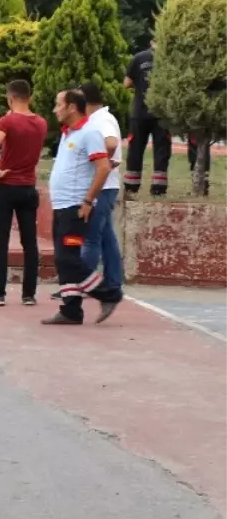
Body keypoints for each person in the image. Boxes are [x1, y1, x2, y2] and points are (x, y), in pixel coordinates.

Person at [44, 89, 123, 325]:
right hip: (62, 206)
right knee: (63, 258)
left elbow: (103, 168)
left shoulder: (89, 133)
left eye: (58, 104)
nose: (55, 109)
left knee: (69, 259)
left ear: (71, 107)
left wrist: (88, 201)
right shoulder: (69, 134)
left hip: (75, 208)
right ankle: (71, 310)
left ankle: (109, 293)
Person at [0, 80, 47, 307]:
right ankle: (29, 293)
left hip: (6, 186)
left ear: (10, 98)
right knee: (30, 243)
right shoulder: (41, 123)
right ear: (30, 96)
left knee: (1, 241)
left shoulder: (7, 121)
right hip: (28, 187)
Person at [79, 81, 124, 294]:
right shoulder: (98, 119)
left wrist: (97, 158)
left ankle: (82, 284)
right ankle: (113, 281)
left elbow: (112, 142)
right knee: (106, 236)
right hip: (106, 184)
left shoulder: (101, 120)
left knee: (91, 237)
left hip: (103, 186)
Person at [124, 40, 171, 196]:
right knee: (161, 150)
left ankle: (131, 186)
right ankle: (158, 188)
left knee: (135, 148)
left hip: (140, 112)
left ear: (151, 42)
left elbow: (127, 83)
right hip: (162, 113)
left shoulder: (139, 57)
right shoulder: (170, 58)